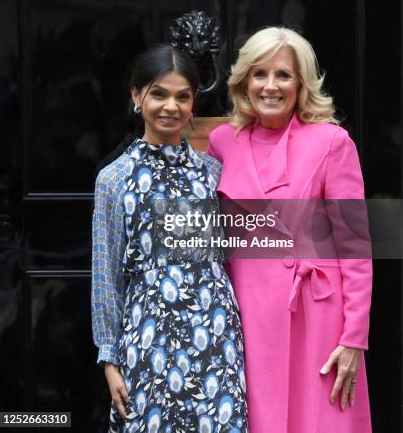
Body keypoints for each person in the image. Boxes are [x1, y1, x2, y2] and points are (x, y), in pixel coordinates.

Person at [207, 27, 372, 432]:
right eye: (259, 73)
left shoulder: (332, 142)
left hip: (317, 316)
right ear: (244, 80)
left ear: (301, 83)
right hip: (247, 315)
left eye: (283, 74)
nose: (270, 86)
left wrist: (353, 338)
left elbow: (355, 246)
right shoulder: (221, 141)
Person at [91, 44, 248, 433]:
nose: (170, 106)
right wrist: (110, 359)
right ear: (136, 95)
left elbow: (234, 254)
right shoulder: (115, 179)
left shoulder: (214, 174)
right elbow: (106, 276)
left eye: (183, 96)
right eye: (159, 93)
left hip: (216, 335)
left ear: (193, 103)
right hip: (149, 337)